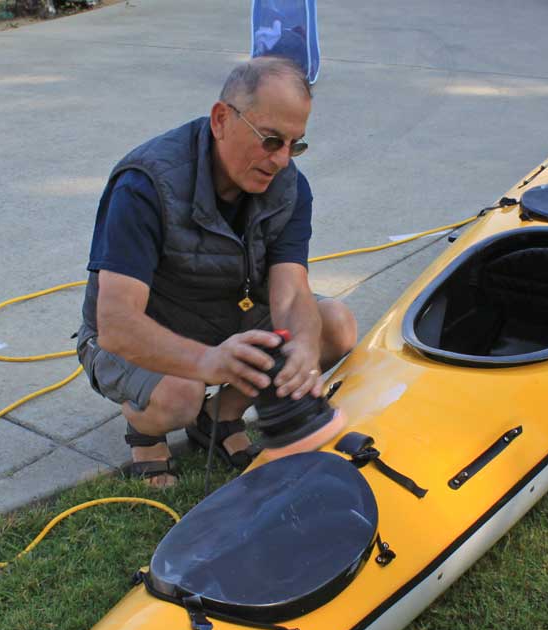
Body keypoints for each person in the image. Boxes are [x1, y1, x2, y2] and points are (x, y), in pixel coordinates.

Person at [77, 56, 357, 486]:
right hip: (146, 329)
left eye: (295, 144)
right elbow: (115, 324)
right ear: (221, 118)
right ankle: (146, 429)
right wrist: (206, 361)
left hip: (228, 315)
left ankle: (218, 419)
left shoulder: (289, 187)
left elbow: (290, 292)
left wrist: (301, 345)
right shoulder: (147, 184)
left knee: (333, 326)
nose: (282, 159)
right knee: (180, 394)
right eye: (270, 140)